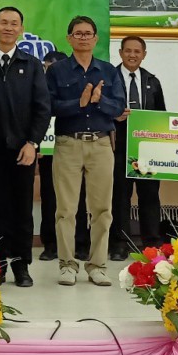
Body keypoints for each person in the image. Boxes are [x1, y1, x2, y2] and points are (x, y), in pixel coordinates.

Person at [46, 15, 125, 288]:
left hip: (101, 144)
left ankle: (98, 265)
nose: (83, 38)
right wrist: (77, 103)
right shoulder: (56, 71)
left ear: (95, 38)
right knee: (65, 209)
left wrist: (99, 100)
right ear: (69, 38)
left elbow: (119, 108)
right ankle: (67, 264)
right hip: (68, 143)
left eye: (87, 33)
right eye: (77, 33)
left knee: (102, 209)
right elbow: (49, 106)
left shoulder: (108, 71)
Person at [0, 6, 51, 287]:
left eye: (14, 23)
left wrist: (32, 143)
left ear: (21, 29)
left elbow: (42, 108)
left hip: (22, 150)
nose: (8, 27)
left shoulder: (31, 64)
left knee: (22, 210)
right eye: (4, 22)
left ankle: (21, 266)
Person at [109, 35, 166, 260]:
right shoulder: (109, 78)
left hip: (147, 150)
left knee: (149, 196)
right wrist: (114, 116)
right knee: (119, 197)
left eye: (137, 51)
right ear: (120, 53)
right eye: (128, 51)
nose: (132, 55)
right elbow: (100, 110)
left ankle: (151, 243)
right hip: (118, 147)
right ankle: (119, 244)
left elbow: (161, 116)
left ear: (144, 54)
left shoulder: (153, 81)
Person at [37, 50, 92, 262]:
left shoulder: (74, 86)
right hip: (48, 152)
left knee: (78, 197)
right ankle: (51, 245)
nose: (49, 72)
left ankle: (81, 243)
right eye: (46, 68)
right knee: (50, 197)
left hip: (72, 146)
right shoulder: (39, 86)